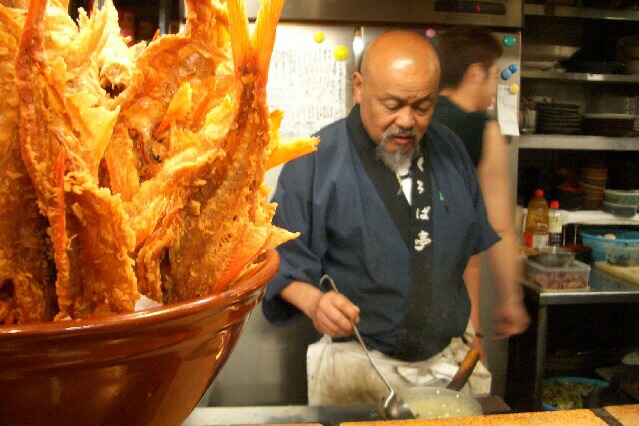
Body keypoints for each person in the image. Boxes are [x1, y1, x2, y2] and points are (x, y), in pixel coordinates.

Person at [263, 30, 498, 405]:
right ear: (359, 88)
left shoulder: (450, 149)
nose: (407, 120)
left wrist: (478, 335)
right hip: (357, 362)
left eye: (423, 106)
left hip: (447, 361)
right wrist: (314, 302)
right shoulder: (314, 161)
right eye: (392, 104)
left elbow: (469, 253)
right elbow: (274, 260)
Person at [432, 26, 530, 365]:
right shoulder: (481, 130)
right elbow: (499, 227)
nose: (493, 89)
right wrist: (510, 301)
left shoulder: (406, 118)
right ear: (475, 72)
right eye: (492, 77)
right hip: (449, 314)